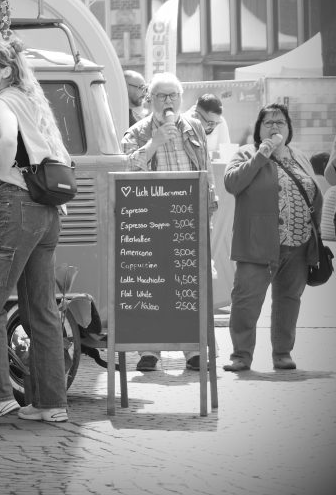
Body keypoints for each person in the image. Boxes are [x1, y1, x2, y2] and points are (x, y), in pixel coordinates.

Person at [0, 36, 72, 424]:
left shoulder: (1, 101)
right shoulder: (32, 100)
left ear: (6, 72)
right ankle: (50, 403)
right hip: (48, 213)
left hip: (20, 208)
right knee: (40, 309)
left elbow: (9, 139)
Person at [121, 72, 215, 372]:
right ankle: (149, 350)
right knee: (153, 286)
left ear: (182, 98)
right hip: (150, 219)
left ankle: (193, 350)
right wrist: (155, 142)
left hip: (188, 217)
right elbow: (125, 170)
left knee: (188, 287)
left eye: (173, 95)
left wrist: (209, 209)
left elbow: (206, 170)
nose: (168, 101)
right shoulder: (137, 132)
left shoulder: (195, 128)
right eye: (162, 96)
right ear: (150, 100)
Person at [222, 103, 322, 372]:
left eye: (280, 122)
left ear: (289, 129)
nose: (275, 126)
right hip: (257, 244)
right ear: (259, 129)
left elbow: (314, 195)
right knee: (246, 301)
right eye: (268, 122)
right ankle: (241, 355)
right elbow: (232, 183)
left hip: (298, 244)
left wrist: (316, 239)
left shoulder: (300, 157)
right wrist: (262, 155)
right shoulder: (247, 153)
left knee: (289, 300)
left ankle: (282, 352)